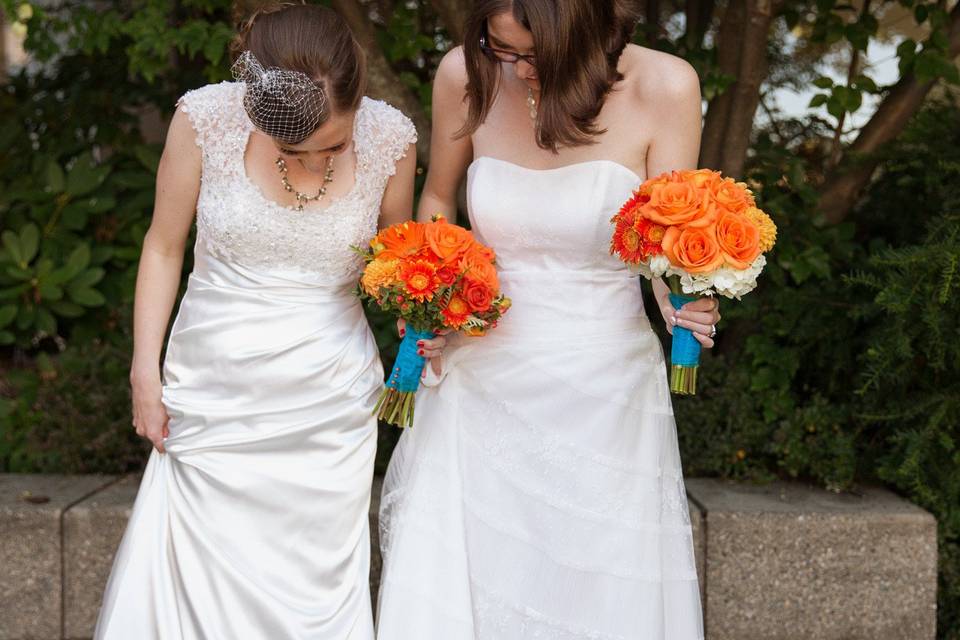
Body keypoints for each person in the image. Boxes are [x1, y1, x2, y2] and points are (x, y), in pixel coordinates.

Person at [377, 1, 716, 637]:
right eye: (501, 51)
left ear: (581, 33)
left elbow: (668, 235)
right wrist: (432, 291)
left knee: (596, 577)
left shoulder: (666, 85)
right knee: (475, 572)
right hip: (481, 374)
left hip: (605, 384)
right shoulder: (466, 73)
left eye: (531, 55)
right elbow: (440, 197)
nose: (515, 70)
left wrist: (685, 296)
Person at [94, 4, 416, 638]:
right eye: (296, 149)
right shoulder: (203, 120)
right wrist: (144, 372)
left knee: (315, 580)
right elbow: (162, 247)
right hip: (214, 390)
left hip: (329, 400)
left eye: (336, 145)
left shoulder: (392, 139)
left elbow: (396, 260)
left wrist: (415, 309)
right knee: (195, 574)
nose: (316, 163)